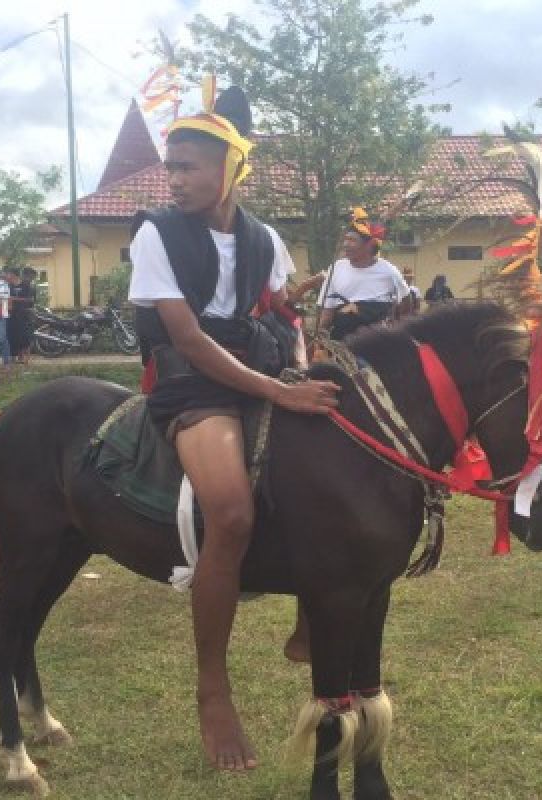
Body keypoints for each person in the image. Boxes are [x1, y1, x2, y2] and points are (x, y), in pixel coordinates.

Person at [128, 83, 339, 772]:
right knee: (231, 511)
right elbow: (185, 340)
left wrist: (301, 370)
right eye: (172, 166)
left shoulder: (266, 240)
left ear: (232, 167)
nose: (176, 177)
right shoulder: (154, 233)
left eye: (189, 164)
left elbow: (283, 315)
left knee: (332, 472)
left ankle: (310, 618)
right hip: (194, 387)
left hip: (260, 370)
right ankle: (213, 690)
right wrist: (279, 389)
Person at [318, 207, 410, 340]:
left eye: (352, 240)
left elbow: (406, 302)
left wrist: (398, 330)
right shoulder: (336, 268)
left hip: (376, 343)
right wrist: (319, 338)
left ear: (370, 245)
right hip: (341, 344)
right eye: (345, 239)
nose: (346, 244)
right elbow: (327, 311)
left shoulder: (389, 272)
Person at [4, 266, 35, 363]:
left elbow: (30, 300)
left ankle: (26, 358)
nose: (7, 276)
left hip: (24, 314)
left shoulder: (25, 285)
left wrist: (14, 299)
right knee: (13, 335)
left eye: (8, 273)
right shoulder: (8, 286)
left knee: (25, 336)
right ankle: (18, 357)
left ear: (13, 274)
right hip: (11, 314)